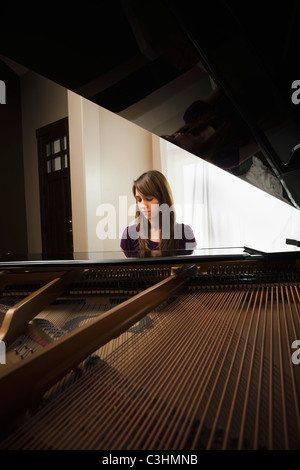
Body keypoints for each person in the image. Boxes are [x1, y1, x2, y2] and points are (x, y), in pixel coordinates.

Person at [163, 88, 258, 171]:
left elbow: (221, 88)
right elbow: (261, 143)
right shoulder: (222, 159)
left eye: (172, 135)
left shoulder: (192, 115)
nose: (179, 134)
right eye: (177, 142)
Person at [120, 170, 196, 257]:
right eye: (139, 200)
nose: (143, 205)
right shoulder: (129, 234)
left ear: (163, 199)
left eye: (149, 199)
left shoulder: (185, 233)